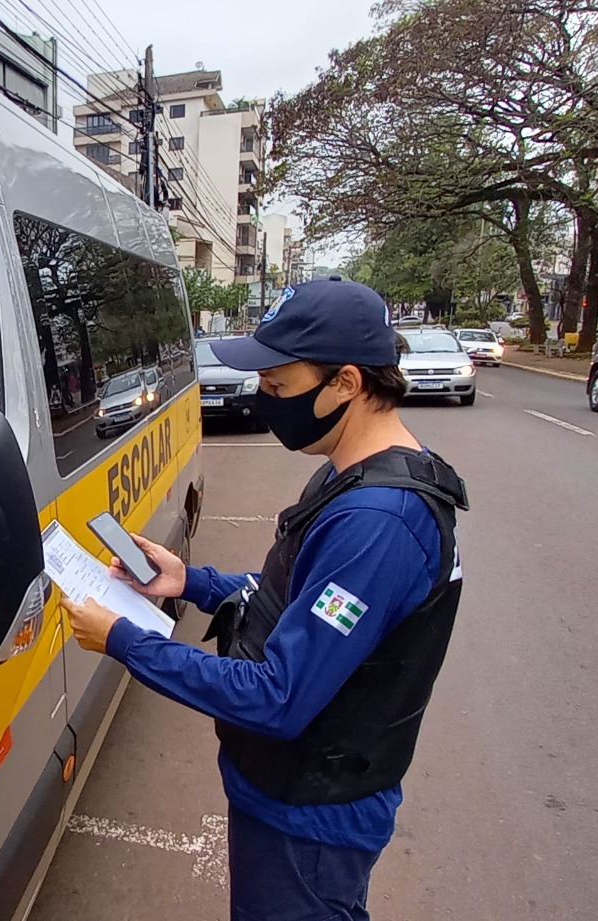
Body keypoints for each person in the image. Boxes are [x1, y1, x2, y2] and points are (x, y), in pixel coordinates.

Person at [63, 276, 469, 921]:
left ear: (346, 383)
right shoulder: (350, 476)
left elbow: (278, 697)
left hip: (310, 815)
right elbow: (297, 600)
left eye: (279, 386)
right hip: (288, 790)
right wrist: (189, 582)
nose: (263, 399)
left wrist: (123, 639)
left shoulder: (379, 523)